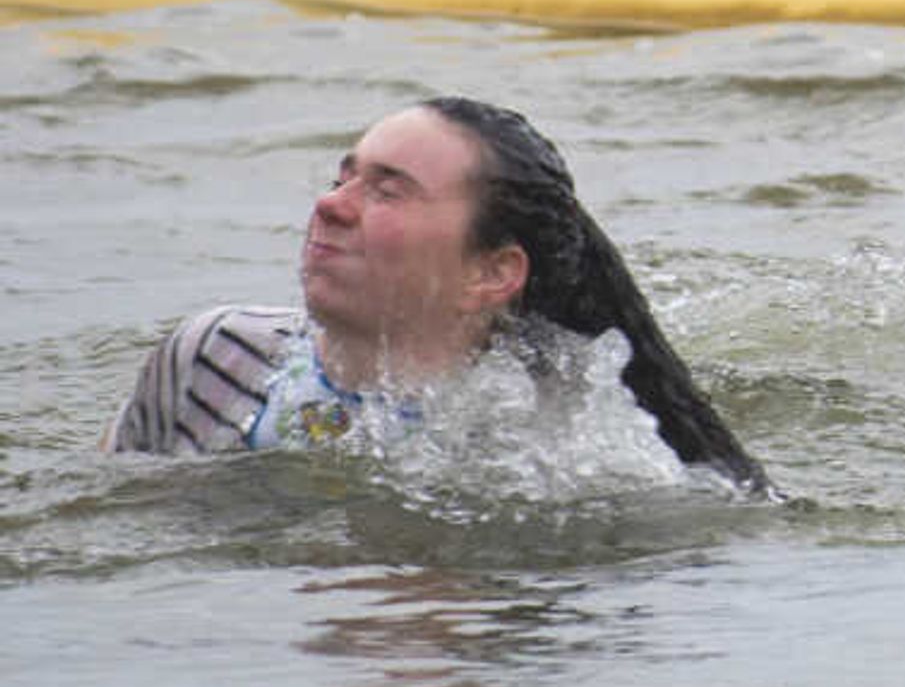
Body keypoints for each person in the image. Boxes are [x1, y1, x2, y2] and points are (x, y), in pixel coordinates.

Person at [107, 97, 768, 489]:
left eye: (387, 190)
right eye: (345, 177)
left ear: (491, 274)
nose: (331, 205)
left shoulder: (562, 445)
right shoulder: (213, 360)